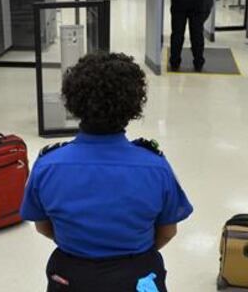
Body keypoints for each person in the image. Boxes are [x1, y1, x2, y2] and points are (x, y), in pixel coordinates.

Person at [21, 52, 193, 292]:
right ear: (133, 105)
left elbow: (43, 227)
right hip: (137, 276)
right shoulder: (156, 168)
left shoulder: (47, 166)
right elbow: (167, 232)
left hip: (71, 276)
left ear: (73, 102)